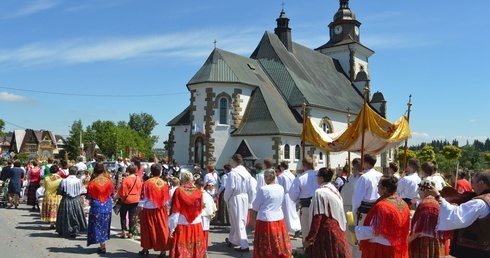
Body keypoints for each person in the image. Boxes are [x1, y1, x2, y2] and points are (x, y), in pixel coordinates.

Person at [426, 170, 490, 258]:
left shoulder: (479, 203)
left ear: (481, 183)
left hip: (474, 250)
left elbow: (456, 216)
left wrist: (438, 197)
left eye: (473, 182)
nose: (472, 186)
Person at [350, 176, 410, 258]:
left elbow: (375, 230)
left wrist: (355, 229)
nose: (377, 187)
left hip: (382, 248)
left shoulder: (382, 206)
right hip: (397, 246)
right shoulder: (401, 201)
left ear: (384, 189)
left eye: (378, 185)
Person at [304, 168, 351, 258]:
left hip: (325, 233)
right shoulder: (334, 190)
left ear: (321, 178)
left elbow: (317, 216)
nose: (317, 178)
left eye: (318, 176)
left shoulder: (319, 192)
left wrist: (310, 238)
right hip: (337, 229)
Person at [252, 168, 292, 258]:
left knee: (266, 241)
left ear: (266, 177)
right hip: (278, 217)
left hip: (266, 218)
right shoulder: (280, 188)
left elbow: (255, 206)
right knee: (278, 240)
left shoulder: (263, 189)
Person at [134, 163, 170, 257]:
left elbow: (142, 200)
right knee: (162, 229)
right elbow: (166, 200)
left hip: (148, 210)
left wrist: (136, 213)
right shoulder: (164, 183)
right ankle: (163, 250)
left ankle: (146, 248)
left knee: (147, 230)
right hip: (161, 209)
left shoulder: (146, 183)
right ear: (160, 172)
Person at [407, 177, 447, 258]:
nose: (418, 192)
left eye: (419, 190)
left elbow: (418, 229)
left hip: (425, 244)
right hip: (438, 242)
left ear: (424, 190)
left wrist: (407, 240)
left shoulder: (425, 204)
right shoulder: (439, 202)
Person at [168, 171, 205, 257]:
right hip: (196, 223)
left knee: (182, 247)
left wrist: (172, 228)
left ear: (182, 179)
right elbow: (200, 209)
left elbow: (176, 210)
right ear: (192, 180)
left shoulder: (178, 191)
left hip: (182, 222)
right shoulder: (198, 191)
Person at [224, 154, 254, 252]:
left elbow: (230, 188)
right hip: (244, 197)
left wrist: (226, 198)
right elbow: (251, 188)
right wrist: (250, 200)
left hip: (236, 198)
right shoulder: (247, 173)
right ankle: (233, 240)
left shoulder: (233, 173)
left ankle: (244, 245)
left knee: (238, 221)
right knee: (236, 220)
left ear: (234, 162)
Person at [289, 156, 318, 243]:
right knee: (317, 230)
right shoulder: (319, 176)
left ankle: (307, 251)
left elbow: (293, 195)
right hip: (319, 206)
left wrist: (298, 200)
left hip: (306, 206)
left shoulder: (300, 178)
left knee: (306, 231)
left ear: (303, 165)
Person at [86, 162, 113, 254]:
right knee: (104, 225)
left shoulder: (92, 183)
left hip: (96, 205)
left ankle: (101, 245)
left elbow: (89, 197)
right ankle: (102, 244)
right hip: (107, 206)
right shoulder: (109, 181)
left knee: (97, 225)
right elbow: (112, 193)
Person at [56, 166, 88, 238]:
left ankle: (64, 229)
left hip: (66, 199)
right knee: (76, 215)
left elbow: (60, 191)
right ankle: (75, 229)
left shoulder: (64, 181)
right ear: (76, 172)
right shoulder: (79, 181)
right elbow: (82, 191)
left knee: (66, 215)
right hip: (76, 200)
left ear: (69, 172)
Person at [114, 164, 142, 239]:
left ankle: (124, 231)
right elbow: (140, 189)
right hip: (136, 199)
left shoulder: (126, 179)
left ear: (128, 171)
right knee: (132, 216)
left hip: (126, 200)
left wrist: (116, 197)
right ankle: (131, 232)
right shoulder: (138, 179)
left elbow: (122, 192)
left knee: (123, 215)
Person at [277, 161, 301, 237]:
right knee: (293, 212)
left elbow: (279, 187)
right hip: (292, 195)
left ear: (282, 167)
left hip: (285, 195)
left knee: (286, 213)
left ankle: (287, 229)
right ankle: (297, 227)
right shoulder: (292, 175)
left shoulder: (281, 176)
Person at [195, 178, 217, 256]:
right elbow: (213, 208)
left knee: (198, 234)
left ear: (197, 185)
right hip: (205, 217)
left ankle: (200, 250)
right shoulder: (208, 196)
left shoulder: (195, 195)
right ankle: (204, 250)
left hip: (198, 217)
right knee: (204, 233)